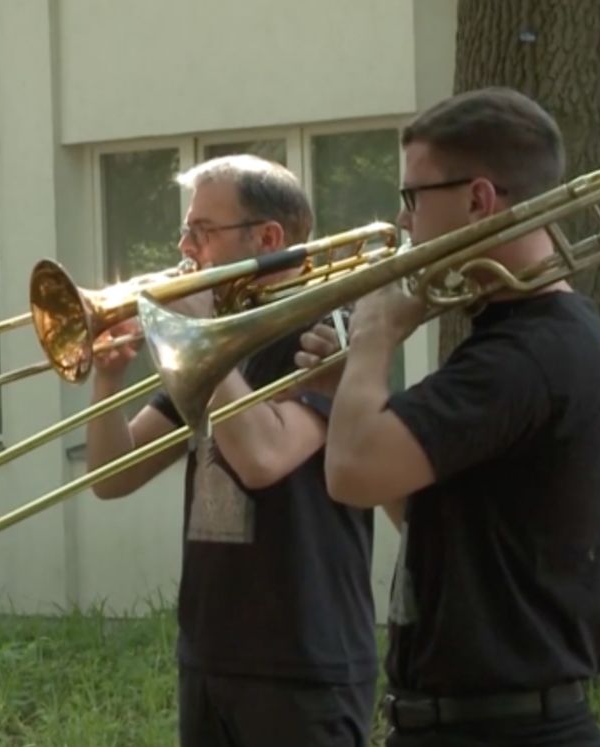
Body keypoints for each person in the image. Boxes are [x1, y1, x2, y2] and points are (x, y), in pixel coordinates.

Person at [298, 87, 600, 746]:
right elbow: (427, 515)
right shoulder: (520, 337)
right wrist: (349, 388)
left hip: (507, 730)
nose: (403, 220)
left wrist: (375, 339)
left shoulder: (526, 353)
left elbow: (350, 474)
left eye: (413, 196)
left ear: (478, 199)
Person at [86, 154, 379, 747]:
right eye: (186, 231)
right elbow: (112, 476)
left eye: (202, 231)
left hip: (304, 659)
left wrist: (199, 343)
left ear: (267, 239)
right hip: (210, 654)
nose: (184, 248)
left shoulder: (331, 332)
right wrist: (107, 379)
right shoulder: (218, 337)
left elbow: (263, 459)